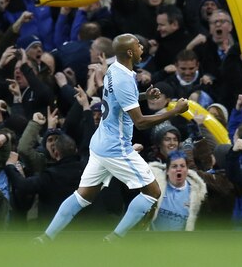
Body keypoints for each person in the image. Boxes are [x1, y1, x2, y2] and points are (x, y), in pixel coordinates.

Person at [36, 33, 189, 242]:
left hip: (100, 143)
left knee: (82, 196)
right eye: (138, 46)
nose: (142, 49)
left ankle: (45, 238)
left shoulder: (114, 71)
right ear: (129, 52)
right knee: (153, 192)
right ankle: (115, 239)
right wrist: (175, 111)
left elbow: (119, 98)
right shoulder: (124, 78)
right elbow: (140, 122)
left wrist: (145, 96)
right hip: (116, 147)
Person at [148, 150, 207, 231]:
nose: (179, 169)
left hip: (181, 241)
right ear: (167, 170)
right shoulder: (156, 187)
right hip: (155, 240)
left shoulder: (197, 193)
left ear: (187, 170)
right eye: (174, 166)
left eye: (182, 166)